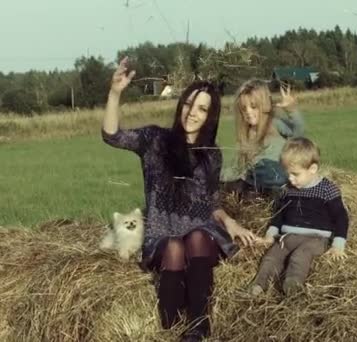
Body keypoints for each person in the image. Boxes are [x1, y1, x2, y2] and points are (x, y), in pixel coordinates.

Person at [101, 57, 257, 341]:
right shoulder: (154, 140)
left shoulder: (211, 154)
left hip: (201, 233)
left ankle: (199, 328)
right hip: (164, 232)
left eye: (202, 109)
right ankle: (170, 328)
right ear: (180, 104)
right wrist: (115, 92)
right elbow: (111, 136)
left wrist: (230, 223)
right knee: (174, 246)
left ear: (210, 115)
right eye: (188, 104)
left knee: (196, 236)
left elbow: (211, 202)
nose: (192, 113)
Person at [249, 137, 349, 296]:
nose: (290, 179)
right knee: (272, 257)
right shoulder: (287, 190)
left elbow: (341, 217)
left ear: (313, 169)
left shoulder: (327, 189)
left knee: (300, 256)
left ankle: (293, 287)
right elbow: (279, 215)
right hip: (288, 237)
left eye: (295, 174)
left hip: (316, 239)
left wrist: (338, 245)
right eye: (288, 174)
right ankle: (259, 285)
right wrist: (270, 236)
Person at [223, 79, 305, 197]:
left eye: (253, 106)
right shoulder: (247, 134)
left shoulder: (274, 124)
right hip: (257, 184)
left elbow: (298, 132)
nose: (248, 112)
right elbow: (242, 167)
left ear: (264, 105)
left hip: (278, 179)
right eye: (244, 108)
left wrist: (291, 110)